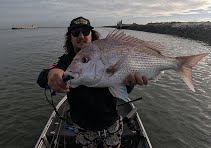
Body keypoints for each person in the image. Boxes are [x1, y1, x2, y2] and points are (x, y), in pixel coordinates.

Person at [37, 17, 148, 148]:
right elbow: (42, 77)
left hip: (111, 122)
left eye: (85, 31)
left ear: (91, 34)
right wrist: (52, 73)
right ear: (70, 37)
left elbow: (124, 90)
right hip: (83, 127)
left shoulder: (107, 54)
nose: (81, 36)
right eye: (75, 33)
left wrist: (131, 83)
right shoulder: (66, 62)